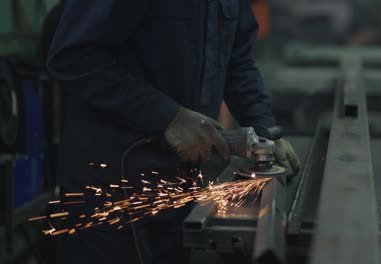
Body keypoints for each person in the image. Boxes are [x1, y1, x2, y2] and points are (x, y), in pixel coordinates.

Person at [47, 1, 300, 263]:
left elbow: (237, 62)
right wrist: (168, 117)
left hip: (179, 184)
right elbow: (72, 56)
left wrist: (265, 133)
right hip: (114, 188)